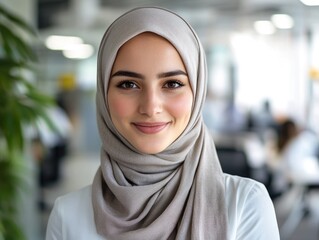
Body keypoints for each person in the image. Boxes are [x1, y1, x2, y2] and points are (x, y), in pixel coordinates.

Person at [45, 7, 280, 239]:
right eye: (128, 84)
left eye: (172, 84)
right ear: (104, 94)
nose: (150, 107)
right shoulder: (68, 216)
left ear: (197, 93)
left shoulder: (245, 206)